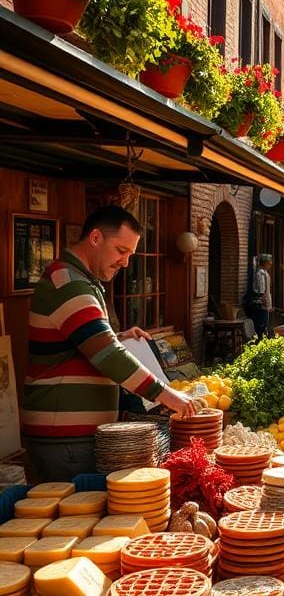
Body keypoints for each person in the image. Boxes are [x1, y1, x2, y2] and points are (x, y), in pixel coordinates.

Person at [21, 205, 198, 480]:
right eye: (121, 250)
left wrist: (118, 337)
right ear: (95, 238)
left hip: (74, 436)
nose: (126, 262)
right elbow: (106, 354)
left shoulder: (80, 280)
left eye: (130, 254)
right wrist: (166, 394)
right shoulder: (68, 282)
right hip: (65, 438)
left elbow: (84, 344)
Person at [250, 254, 273, 338]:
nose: (270, 265)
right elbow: (261, 289)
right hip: (261, 304)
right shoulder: (260, 273)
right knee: (261, 326)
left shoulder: (264, 272)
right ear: (265, 263)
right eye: (269, 263)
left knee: (264, 325)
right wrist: (264, 300)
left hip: (264, 302)